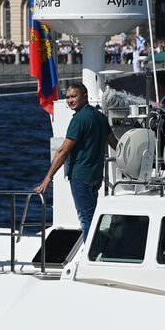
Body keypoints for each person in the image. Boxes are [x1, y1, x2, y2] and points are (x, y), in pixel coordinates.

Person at [33, 81, 111, 236]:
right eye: (68, 97)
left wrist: (48, 178)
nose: (70, 100)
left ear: (85, 96)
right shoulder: (100, 117)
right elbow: (115, 143)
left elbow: (63, 151)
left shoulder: (79, 119)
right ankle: (96, 249)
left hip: (80, 176)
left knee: (86, 218)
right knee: (93, 216)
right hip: (96, 176)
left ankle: (90, 254)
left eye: (74, 96)